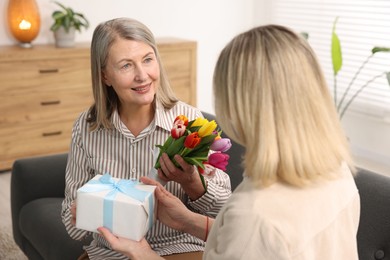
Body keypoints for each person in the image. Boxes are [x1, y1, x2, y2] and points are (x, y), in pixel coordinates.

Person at [99, 24, 361, 259]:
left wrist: (143, 253)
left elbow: (251, 237)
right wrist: (188, 221)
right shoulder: (336, 171)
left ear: (239, 106)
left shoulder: (254, 215)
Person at [61, 17, 232, 260]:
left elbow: (227, 210)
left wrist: (193, 183)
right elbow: (71, 222)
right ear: (105, 76)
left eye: (148, 60)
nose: (143, 76)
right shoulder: (86, 128)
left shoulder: (189, 121)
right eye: (126, 66)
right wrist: (86, 212)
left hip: (179, 246)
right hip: (110, 251)